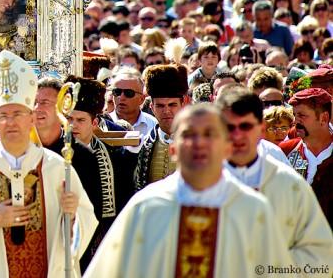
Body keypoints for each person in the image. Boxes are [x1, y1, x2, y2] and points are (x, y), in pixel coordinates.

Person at [83, 104, 292, 277]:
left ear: (228, 148)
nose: (199, 143)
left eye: (210, 135)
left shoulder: (253, 209)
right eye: (189, 135)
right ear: (173, 149)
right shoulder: (146, 206)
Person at [0, 51, 97, 277]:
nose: (11, 122)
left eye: (18, 113)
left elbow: (85, 225)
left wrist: (74, 215)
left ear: (32, 118)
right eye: (3, 115)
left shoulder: (56, 168)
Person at [217, 87, 333, 265]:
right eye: (229, 127)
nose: (237, 135)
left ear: (261, 128)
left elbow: (316, 250)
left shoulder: (289, 184)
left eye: (245, 126)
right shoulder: (201, 182)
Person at [64, 76, 136, 270]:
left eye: (80, 120)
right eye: (69, 119)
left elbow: (123, 205)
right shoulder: (55, 156)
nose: (73, 125)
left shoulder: (114, 158)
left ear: (94, 122)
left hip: (100, 240)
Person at [279, 88, 333, 224]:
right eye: (294, 115)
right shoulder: (285, 151)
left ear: (323, 118)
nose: (296, 121)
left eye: (302, 115)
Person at [133, 62, 190, 190]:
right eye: (160, 106)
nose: (166, 111)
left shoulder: (196, 142)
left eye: (172, 105)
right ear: (152, 107)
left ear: (183, 103)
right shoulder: (146, 144)